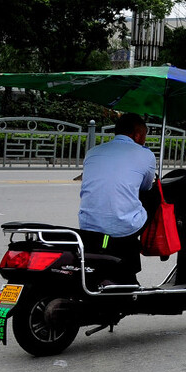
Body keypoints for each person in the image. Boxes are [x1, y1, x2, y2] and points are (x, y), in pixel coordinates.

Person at [78, 113, 158, 283]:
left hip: (87, 224)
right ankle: (151, 244)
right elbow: (146, 187)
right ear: (137, 135)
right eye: (144, 136)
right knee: (154, 196)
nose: (144, 140)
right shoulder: (146, 155)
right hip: (123, 227)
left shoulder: (93, 152)